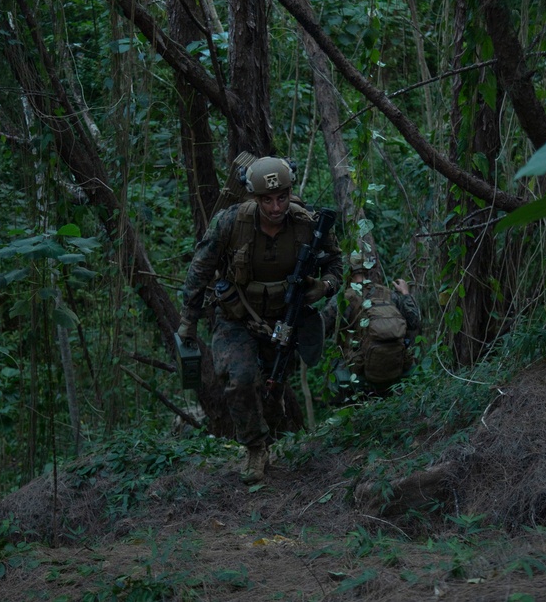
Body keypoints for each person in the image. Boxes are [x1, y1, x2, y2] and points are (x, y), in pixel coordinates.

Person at [176, 156, 343, 483]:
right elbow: (199, 270)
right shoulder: (231, 223)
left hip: (284, 321)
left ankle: (278, 440)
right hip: (237, 317)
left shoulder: (307, 224)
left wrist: (323, 287)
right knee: (241, 378)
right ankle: (255, 448)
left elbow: (335, 264)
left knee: (272, 389)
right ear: (254, 197)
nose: (276, 206)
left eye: (282, 197)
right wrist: (188, 323)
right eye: (267, 199)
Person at [323, 251, 421, 397]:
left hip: (358, 373)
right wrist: (405, 293)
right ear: (368, 270)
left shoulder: (344, 298)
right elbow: (414, 322)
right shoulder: (389, 294)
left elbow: (322, 327)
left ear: (347, 272)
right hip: (393, 369)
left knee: (335, 369)